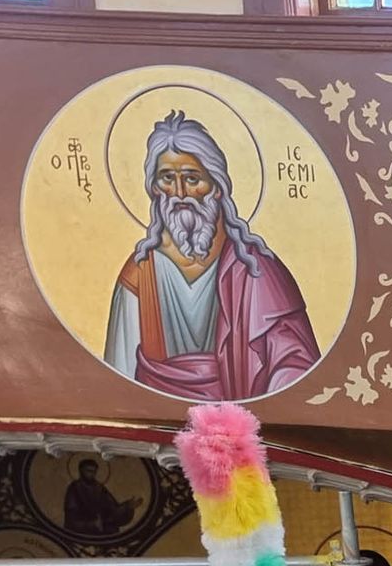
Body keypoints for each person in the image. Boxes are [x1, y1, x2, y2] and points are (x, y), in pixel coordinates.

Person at [103, 110, 319, 401]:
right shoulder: (141, 275)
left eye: (192, 178)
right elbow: (120, 381)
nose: (179, 193)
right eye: (167, 178)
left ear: (216, 187)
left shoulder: (255, 270)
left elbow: (295, 364)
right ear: (154, 188)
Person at [62, 459, 141, 536]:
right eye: (89, 471)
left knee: (112, 531)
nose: (92, 474)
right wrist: (92, 524)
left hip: (103, 529)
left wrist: (127, 507)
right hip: (82, 532)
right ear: (81, 471)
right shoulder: (75, 488)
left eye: (94, 471)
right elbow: (71, 515)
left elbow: (113, 509)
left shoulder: (99, 488)